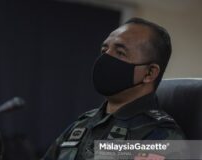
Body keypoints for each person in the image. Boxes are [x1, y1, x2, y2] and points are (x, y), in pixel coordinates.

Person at [43, 18, 185, 160]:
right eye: (104, 50)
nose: (105, 57)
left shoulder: (162, 138)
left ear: (149, 73)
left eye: (120, 53)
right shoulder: (82, 125)